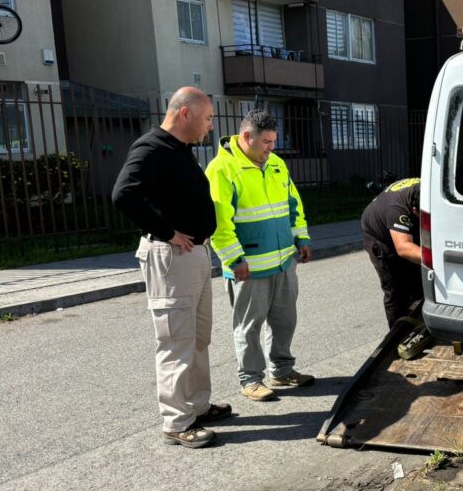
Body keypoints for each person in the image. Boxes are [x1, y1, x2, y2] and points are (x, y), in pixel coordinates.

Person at [111, 87, 230, 449]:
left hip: (192, 255)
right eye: (208, 118)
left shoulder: (179, 150)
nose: (210, 126)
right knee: (176, 340)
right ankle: (177, 422)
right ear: (185, 114)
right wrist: (167, 232)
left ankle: (196, 406)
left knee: (197, 336)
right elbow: (123, 194)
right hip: (171, 257)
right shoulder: (151, 148)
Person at [206, 109, 313, 402]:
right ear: (246, 137)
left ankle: (282, 370)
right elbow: (219, 223)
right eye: (266, 142)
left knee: (285, 320)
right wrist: (233, 260)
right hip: (248, 268)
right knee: (249, 326)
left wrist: (301, 237)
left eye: (274, 141)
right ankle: (251, 379)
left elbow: (294, 204)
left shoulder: (276, 163)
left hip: (282, 262)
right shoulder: (221, 169)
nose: (271, 148)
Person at [360, 177, 424, 328]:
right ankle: (397, 335)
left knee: (418, 283)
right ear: (414, 210)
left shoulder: (428, 188)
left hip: (399, 224)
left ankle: (420, 325)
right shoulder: (399, 209)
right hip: (379, 237)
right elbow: (403, 248)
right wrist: (437, 260)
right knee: (396, 290)